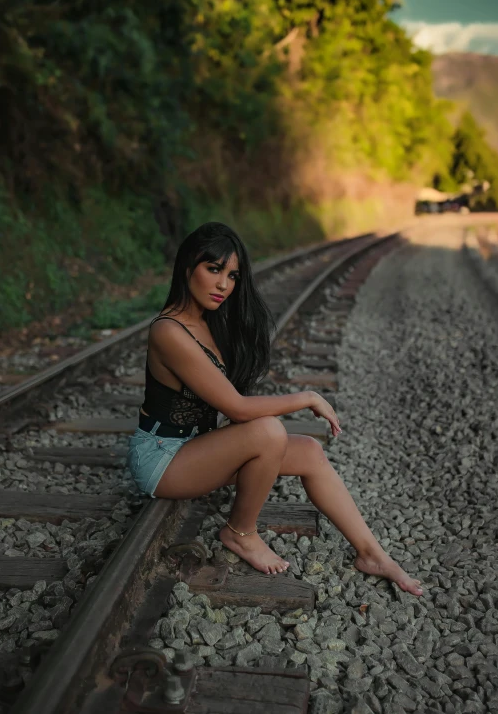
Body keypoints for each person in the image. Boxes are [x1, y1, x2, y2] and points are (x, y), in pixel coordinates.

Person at [127, 222, 422, 596]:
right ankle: (240, 534)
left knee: (310, 452)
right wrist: (307, 397)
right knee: (269, 431)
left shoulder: (207, 322)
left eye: (232, 275)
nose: (224, 285)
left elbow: (233, 412)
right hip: (161, 459)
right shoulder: (169, 331)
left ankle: (372, 554)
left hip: (193, 449)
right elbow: (237, 406)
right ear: (188, 268)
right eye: (213, 270)